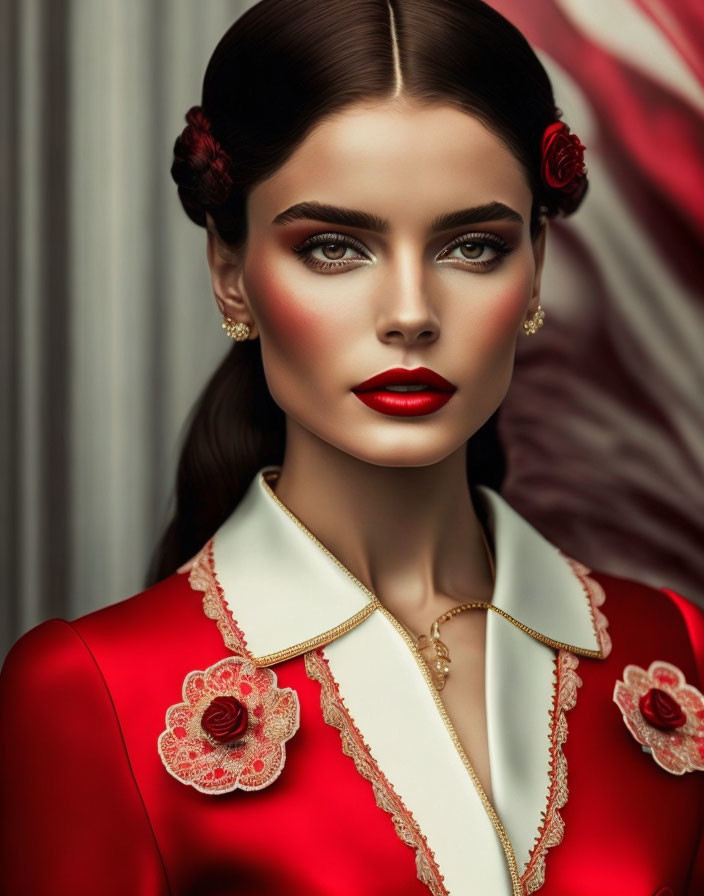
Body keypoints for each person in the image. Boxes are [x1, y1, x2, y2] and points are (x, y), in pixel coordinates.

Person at [1, 1, 702, 893]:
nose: (410, 312)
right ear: (231, 270)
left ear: (538, 264)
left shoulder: (674, 651)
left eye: (472, 247)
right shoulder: (92, 691)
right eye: (334, 247)